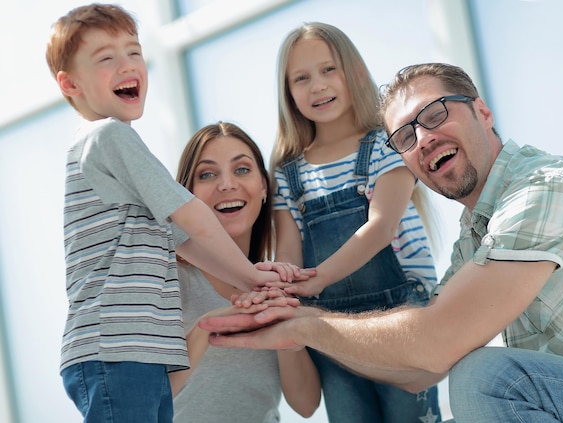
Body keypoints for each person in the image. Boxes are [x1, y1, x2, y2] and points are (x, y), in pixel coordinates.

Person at [201, 62, 563, 423]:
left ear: (483, 110)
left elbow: (435, 340)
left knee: (488, 378)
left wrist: (308, 321)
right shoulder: (475, 239)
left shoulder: (542, 191)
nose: (422, 138)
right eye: (405, 136)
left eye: (435, 114)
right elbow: (419, 370)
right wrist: (298, 328)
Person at [46, 4, 292, 422]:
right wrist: (252, 275)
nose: (127, 65)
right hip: (117, 350)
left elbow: (187, 243)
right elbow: (191, 216)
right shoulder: (109, 136)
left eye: (134, 52)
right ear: (70, 84)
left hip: (137, 353)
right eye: (107, 58)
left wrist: (249, 284)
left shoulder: (108, 152)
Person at [266, 22, 441, 423]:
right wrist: (282, 290)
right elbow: (288, 254)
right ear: (288, 92)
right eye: (301, 78)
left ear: (355, 72)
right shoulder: (288, 173)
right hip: (330, 329)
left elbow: (380, 228)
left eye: (329, 70)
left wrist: (321, 275)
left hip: (401, 316)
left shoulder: (385, 143)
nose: (317, 86)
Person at [169, 122, 321, 422]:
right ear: (187, 196)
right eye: (207, 174)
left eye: (241, 170)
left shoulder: (277, 287)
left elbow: (306, 404)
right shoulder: (169, 279)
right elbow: (138, 398)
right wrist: (209, 326)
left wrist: (282, 320)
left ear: (263, 187)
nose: (226, 184)